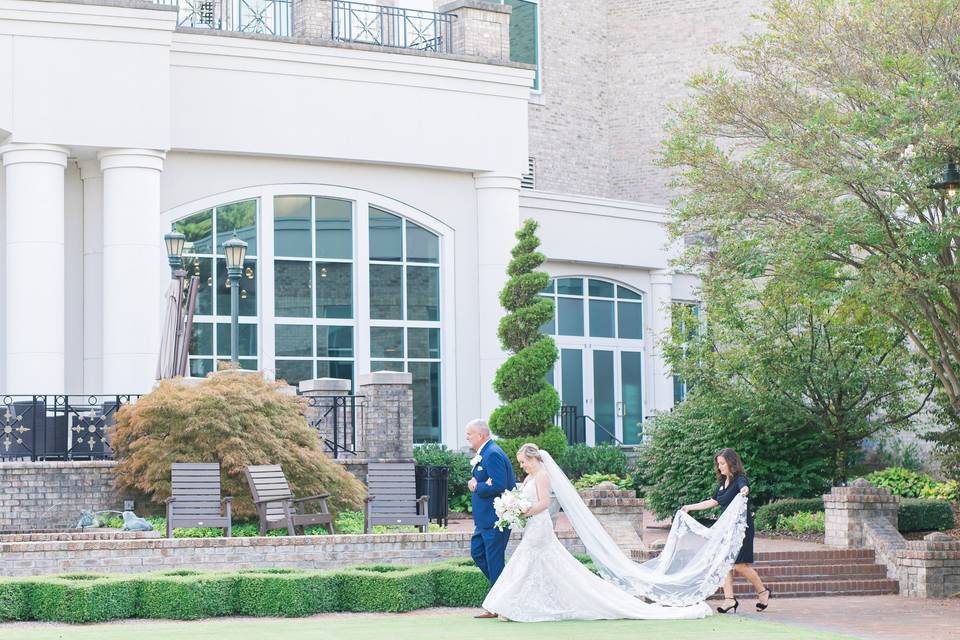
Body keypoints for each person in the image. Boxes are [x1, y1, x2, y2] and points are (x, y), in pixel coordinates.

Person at [481, 443, 712, 622]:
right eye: (521, 463)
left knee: (526, 562)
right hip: (532, 525)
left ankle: (508, 605)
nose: (522, 466)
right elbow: (524, 497)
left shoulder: (542, 475)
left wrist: (524, 511)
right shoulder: (530, 476)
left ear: (532, 458)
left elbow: (543, 503)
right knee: (534, 564)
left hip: (539, 525)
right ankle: (515, 605)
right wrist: (513, 506)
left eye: (523, 462)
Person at [681, 448, 771, 613]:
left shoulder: (740, 479)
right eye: (718, 464)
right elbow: (712, 502)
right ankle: (729, 600)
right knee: (723, 564)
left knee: (740, 566)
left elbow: (744, 488)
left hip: (742, 528)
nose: (720, 467)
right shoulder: (722, 484)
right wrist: (690, 508)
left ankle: (763, 592)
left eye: (722, 463)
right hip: (726, 529)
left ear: (731, 463)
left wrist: (745, 491)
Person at [465, 419, 516, 619]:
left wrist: (477, 486)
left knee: (494, 561)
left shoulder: (492, 453)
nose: (467, 437)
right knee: (478, 553)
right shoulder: (484, 453)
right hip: (484, 519)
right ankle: (502, 594)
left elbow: (499, 485)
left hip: (495, 519)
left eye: (470, 434)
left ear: (482, 435)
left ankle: (499, 604)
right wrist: (481, 483)